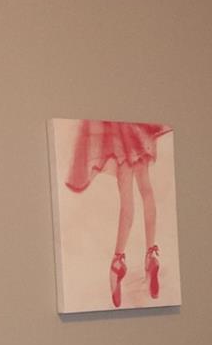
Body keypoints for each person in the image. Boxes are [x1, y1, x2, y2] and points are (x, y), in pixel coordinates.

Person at [64, 120, 172, 307]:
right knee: (146, 190)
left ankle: (117, 261)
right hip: (137, 132)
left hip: (119, 136)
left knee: (126, 200)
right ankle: (151, 255)